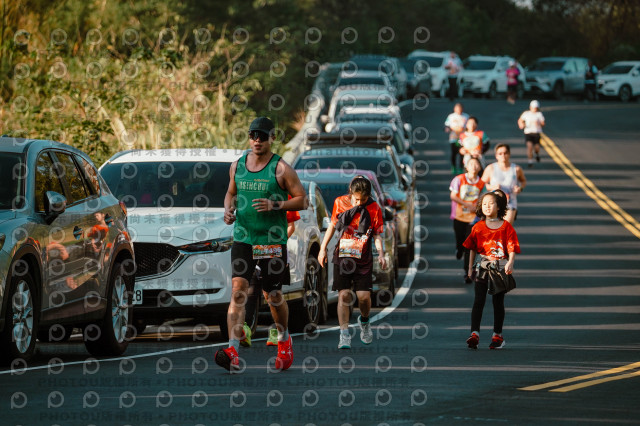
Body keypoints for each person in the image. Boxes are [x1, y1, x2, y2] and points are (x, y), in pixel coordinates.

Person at [216, 116, 308, 372]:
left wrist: (275, 204)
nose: (257, 140)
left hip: (271, 240)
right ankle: (232, 350)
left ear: (272, 138)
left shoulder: (282, 169)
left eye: (262, 136)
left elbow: (303, 200)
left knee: (273, 296)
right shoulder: (237, 166)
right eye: (253, 135)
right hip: (244, 237)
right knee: (238, 290)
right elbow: (231, 193)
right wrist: (228, 210)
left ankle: (284, 340)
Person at [318, 176, 386, 349]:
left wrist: (381, 254)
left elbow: (377, 234)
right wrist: (322, 248)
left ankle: (364, 321)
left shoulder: (374, 208)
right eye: (356, 199)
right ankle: (344, 334)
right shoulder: (340, 202)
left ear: (368, 196)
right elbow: (333, 225)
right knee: (344, 295)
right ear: (350, 192)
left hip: (363, 258)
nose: (359, 203)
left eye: (363, 199)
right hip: (343, 256)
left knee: (363, 297)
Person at [463, 190, 520, 350]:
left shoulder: (506, 227)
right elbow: (472, 248)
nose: (487, 207)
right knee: (478, 300)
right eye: (484, 204)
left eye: (491, 203)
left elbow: (512, 246)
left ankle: (497, 335)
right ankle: (474, 334)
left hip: (500, 268)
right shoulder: (478, 227)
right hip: (482, 266)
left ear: (499, 206)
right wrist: (469, 268)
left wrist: (511, 262)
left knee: (497, 302)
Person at [243, 201, 300, 347]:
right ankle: (246, 328)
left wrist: (278, 241)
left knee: (273, 294)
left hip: (275, 250)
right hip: (255, 248)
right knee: (252, 289)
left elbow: (291, 226)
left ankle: (276, 331)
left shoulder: (284, 198)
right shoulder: (252, 196)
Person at [449, 157, 486, 283]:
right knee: (460, 241)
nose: (474, 166)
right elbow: (453, 196)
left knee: (469, 245)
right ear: (466, 166)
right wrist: (466, 204)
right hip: (459, 216)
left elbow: (484, 198)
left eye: (476, 164)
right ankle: (458, 249)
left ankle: (468, 272)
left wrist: (477, 207)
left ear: (480, 167)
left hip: (474, 219)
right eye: (471, 164)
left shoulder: (481, 183)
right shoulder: (459, 179)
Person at [481, 144, 527, 224]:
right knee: (494, 227)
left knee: (506, 225)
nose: (503, 155)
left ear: (509, 154)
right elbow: (481, 184)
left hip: (510, 203)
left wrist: (520, 188)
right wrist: (492, 187)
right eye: (500, 153)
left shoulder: (516, 169)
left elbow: (523, 181)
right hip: (493, 204)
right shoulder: (491, 168)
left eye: (505, 153)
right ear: (496, 156)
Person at [517, 100, 545, 167]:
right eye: (533, 108)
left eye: (536, 108)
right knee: (529, 147)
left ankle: (537, 154)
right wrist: (521, 125)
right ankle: (530, 161)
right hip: (528, 133)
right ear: (530, 107)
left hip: (536, 133)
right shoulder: (526, 114)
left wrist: (539, 124)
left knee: (537, 148)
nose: (535, 109)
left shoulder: (539, 114)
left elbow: (543, 123)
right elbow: (520, 120)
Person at [444, 103, 469, 174]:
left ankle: (461, 167)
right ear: (454, 109)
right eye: (457, 109)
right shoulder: (451, 116)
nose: (459, 110)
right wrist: (447, 129)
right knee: (454, 153)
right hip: (453, 137)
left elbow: (469, 125)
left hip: (463, 137)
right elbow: (446, 125)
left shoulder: (466, 116)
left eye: (460, 109)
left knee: (462, 153)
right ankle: (454, 166)